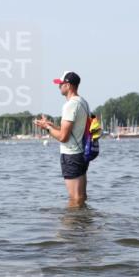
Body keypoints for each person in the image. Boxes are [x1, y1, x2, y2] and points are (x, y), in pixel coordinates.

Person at [33, 71, 90, 207]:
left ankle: (70, 226)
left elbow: (63, 137)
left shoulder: (70, 105)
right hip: (81, 154)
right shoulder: (83, 102)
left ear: (68, 85)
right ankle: (83, 225)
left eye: (61, 84)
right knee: (81, 196)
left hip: (71, 156)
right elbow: (73, 131)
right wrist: (51, 125)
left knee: (74, 198)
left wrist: (47, 129)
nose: (59, 87)